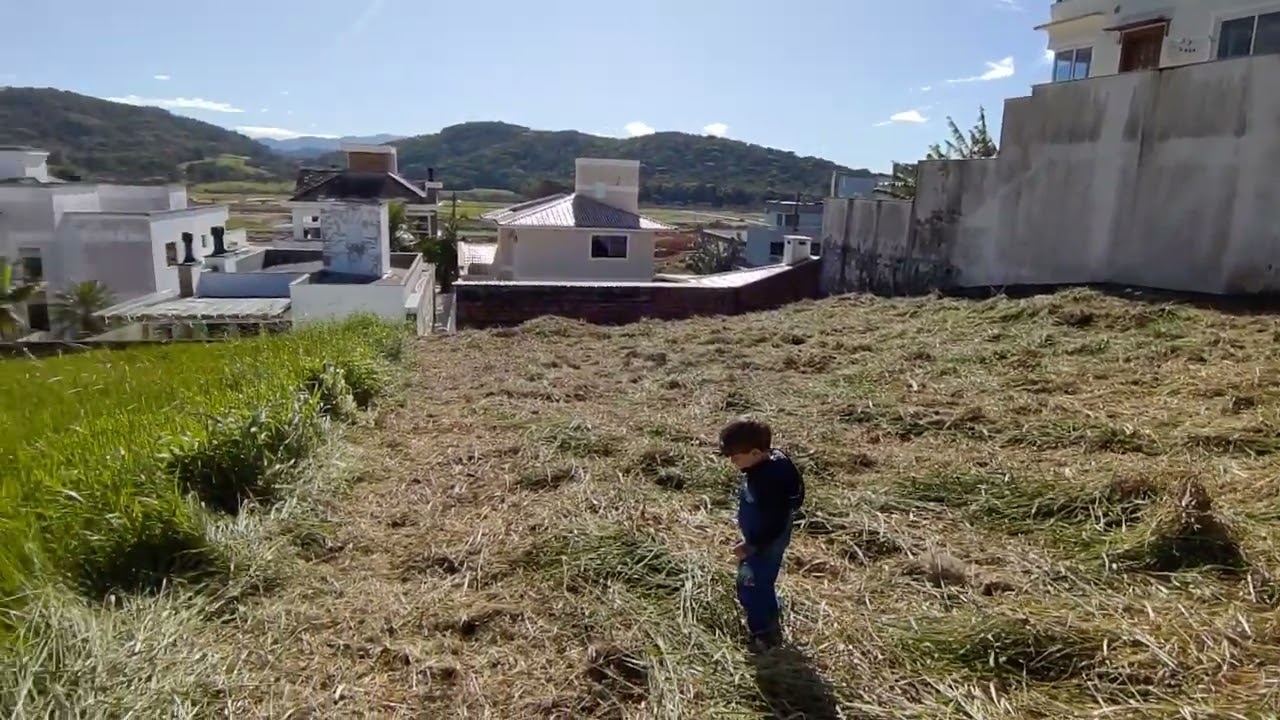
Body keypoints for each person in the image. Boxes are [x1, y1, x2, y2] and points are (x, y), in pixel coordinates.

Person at [719, 416, 805, 651]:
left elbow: (775, 522)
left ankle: (765, 635)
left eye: (736, 458)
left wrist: (752, 545)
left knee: (752, 584)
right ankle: (770, 609)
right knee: (761, 581)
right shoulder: (771, 462)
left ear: (756, 453)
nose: (733, 463)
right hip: (762, 536)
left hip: (765, 543)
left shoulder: (768, 484)